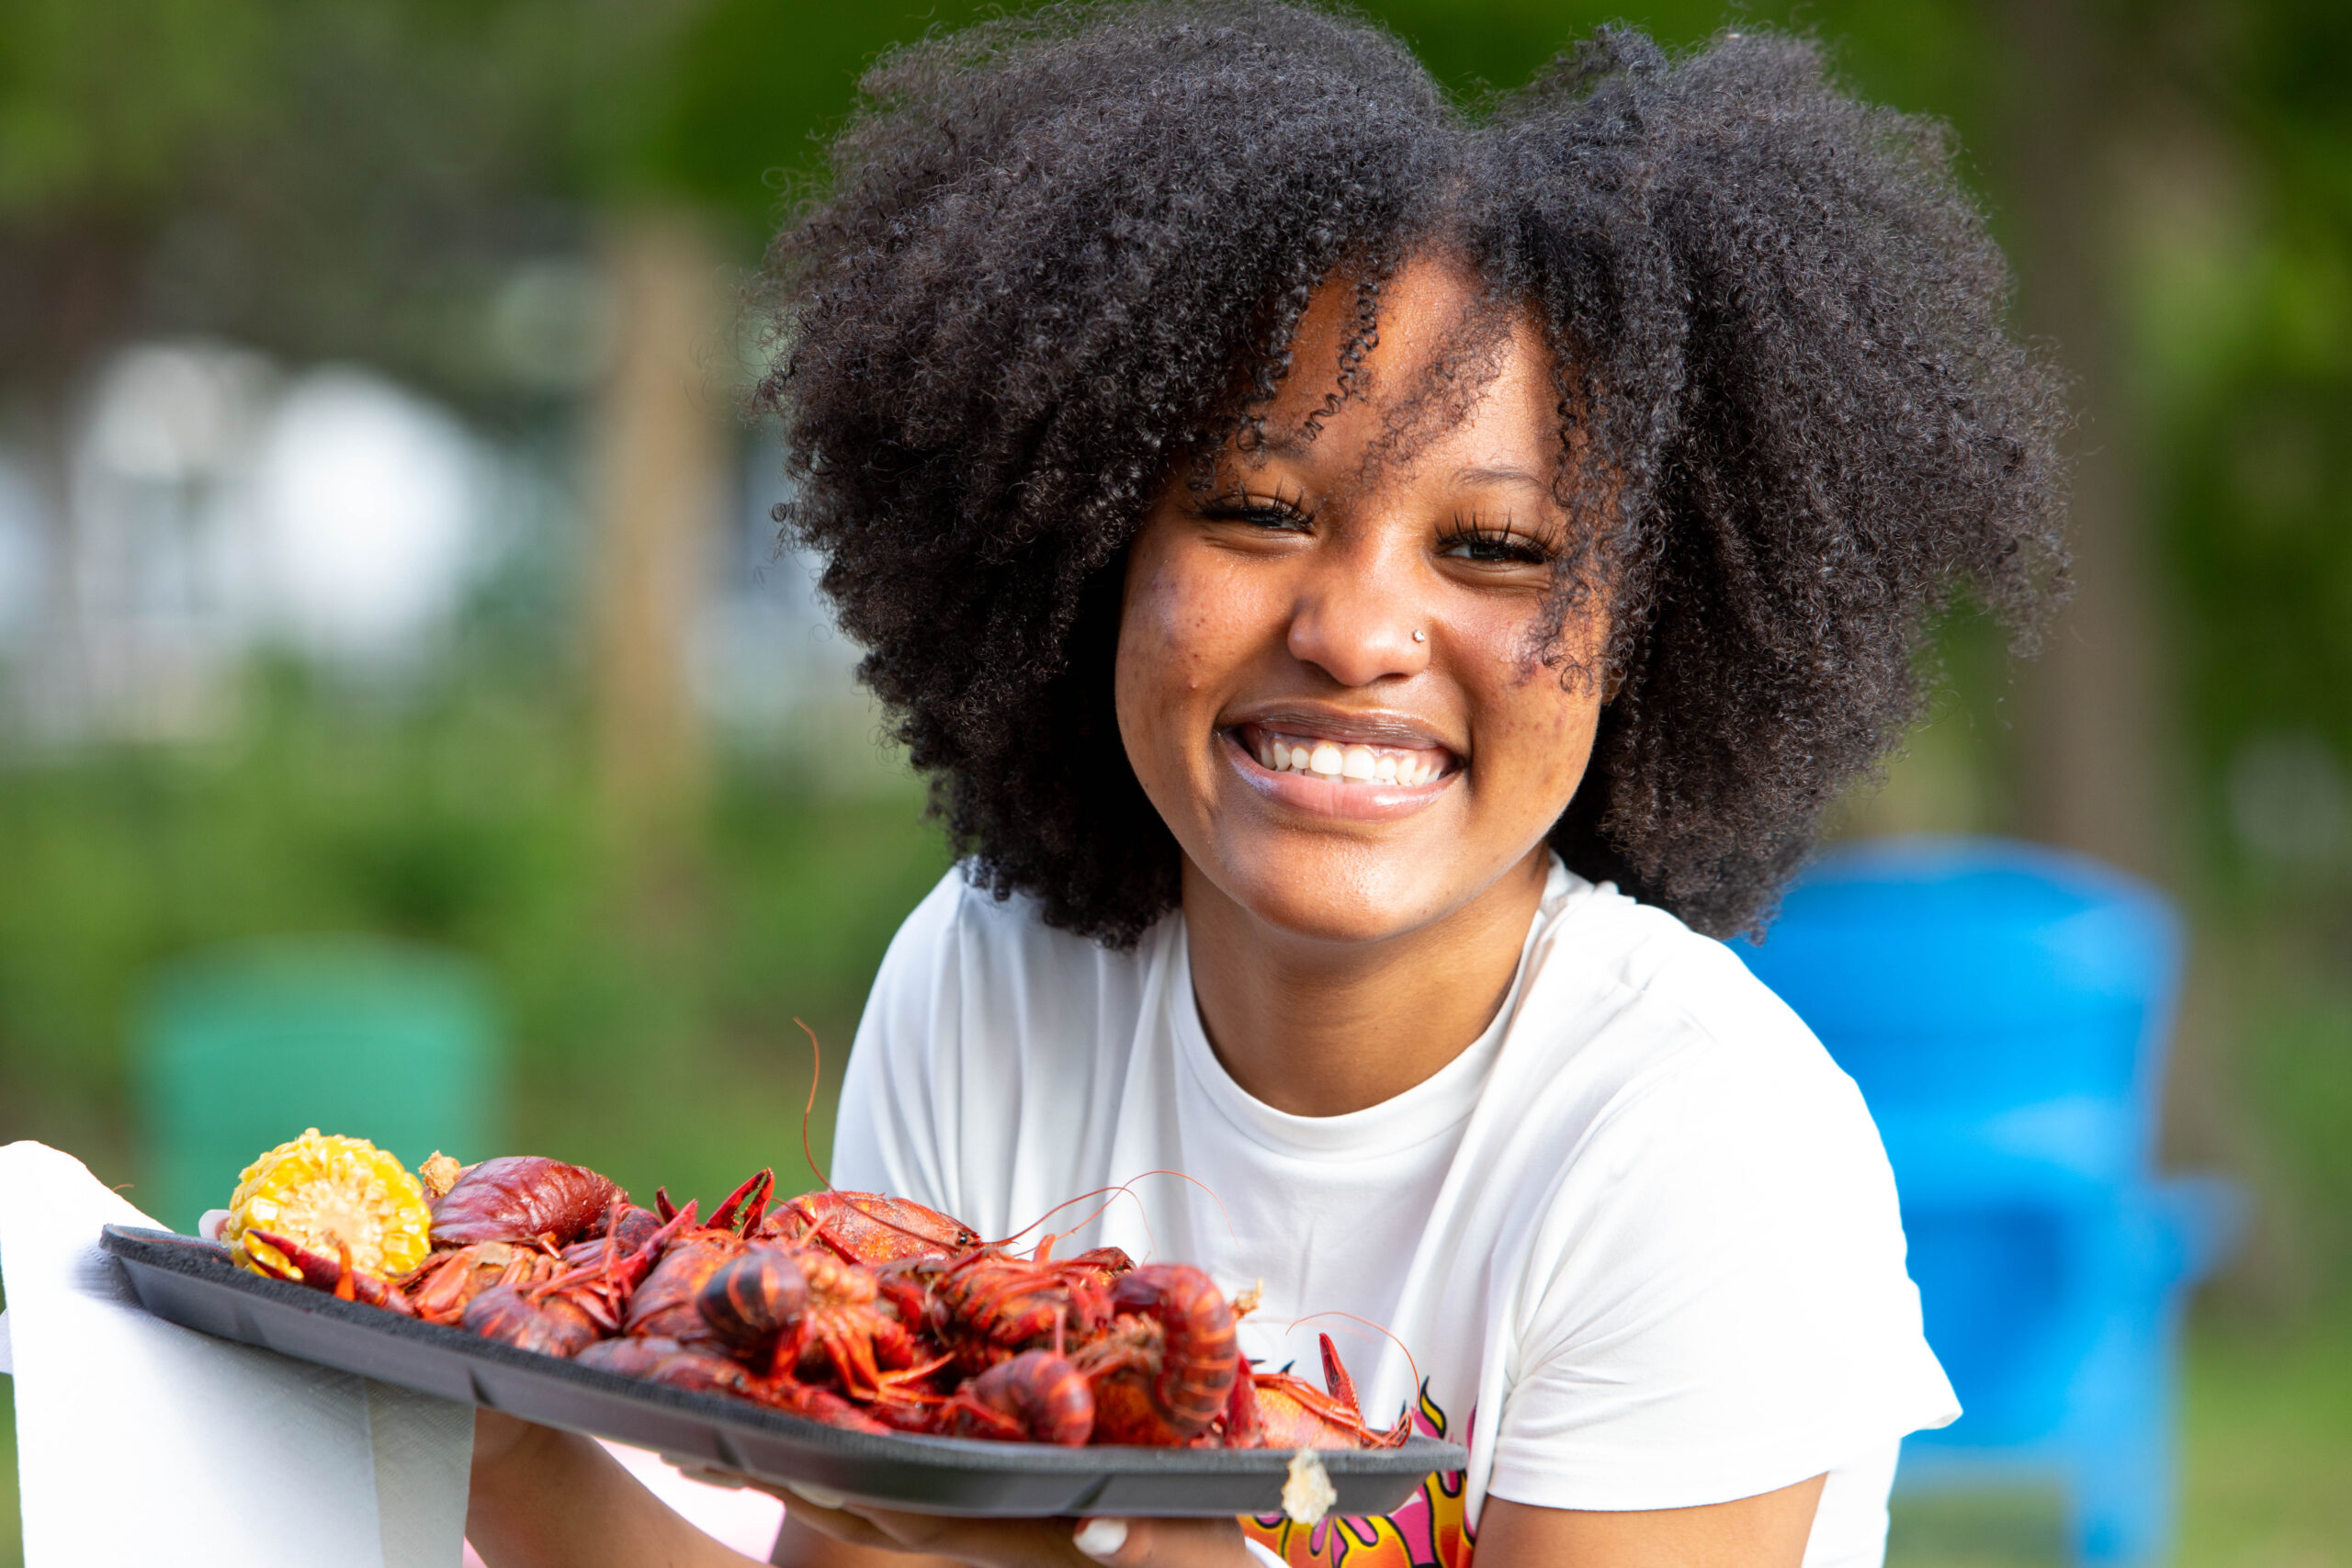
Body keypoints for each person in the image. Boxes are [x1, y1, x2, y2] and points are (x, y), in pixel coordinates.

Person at [466, 5, 2066, 1565]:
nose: (1356, 632)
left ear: (1644, 636)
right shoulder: (984, 984)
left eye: (1495, 548)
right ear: (1090, 545)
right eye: (1258, 510)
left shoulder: (1706, 1143)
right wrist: (513, 1462)